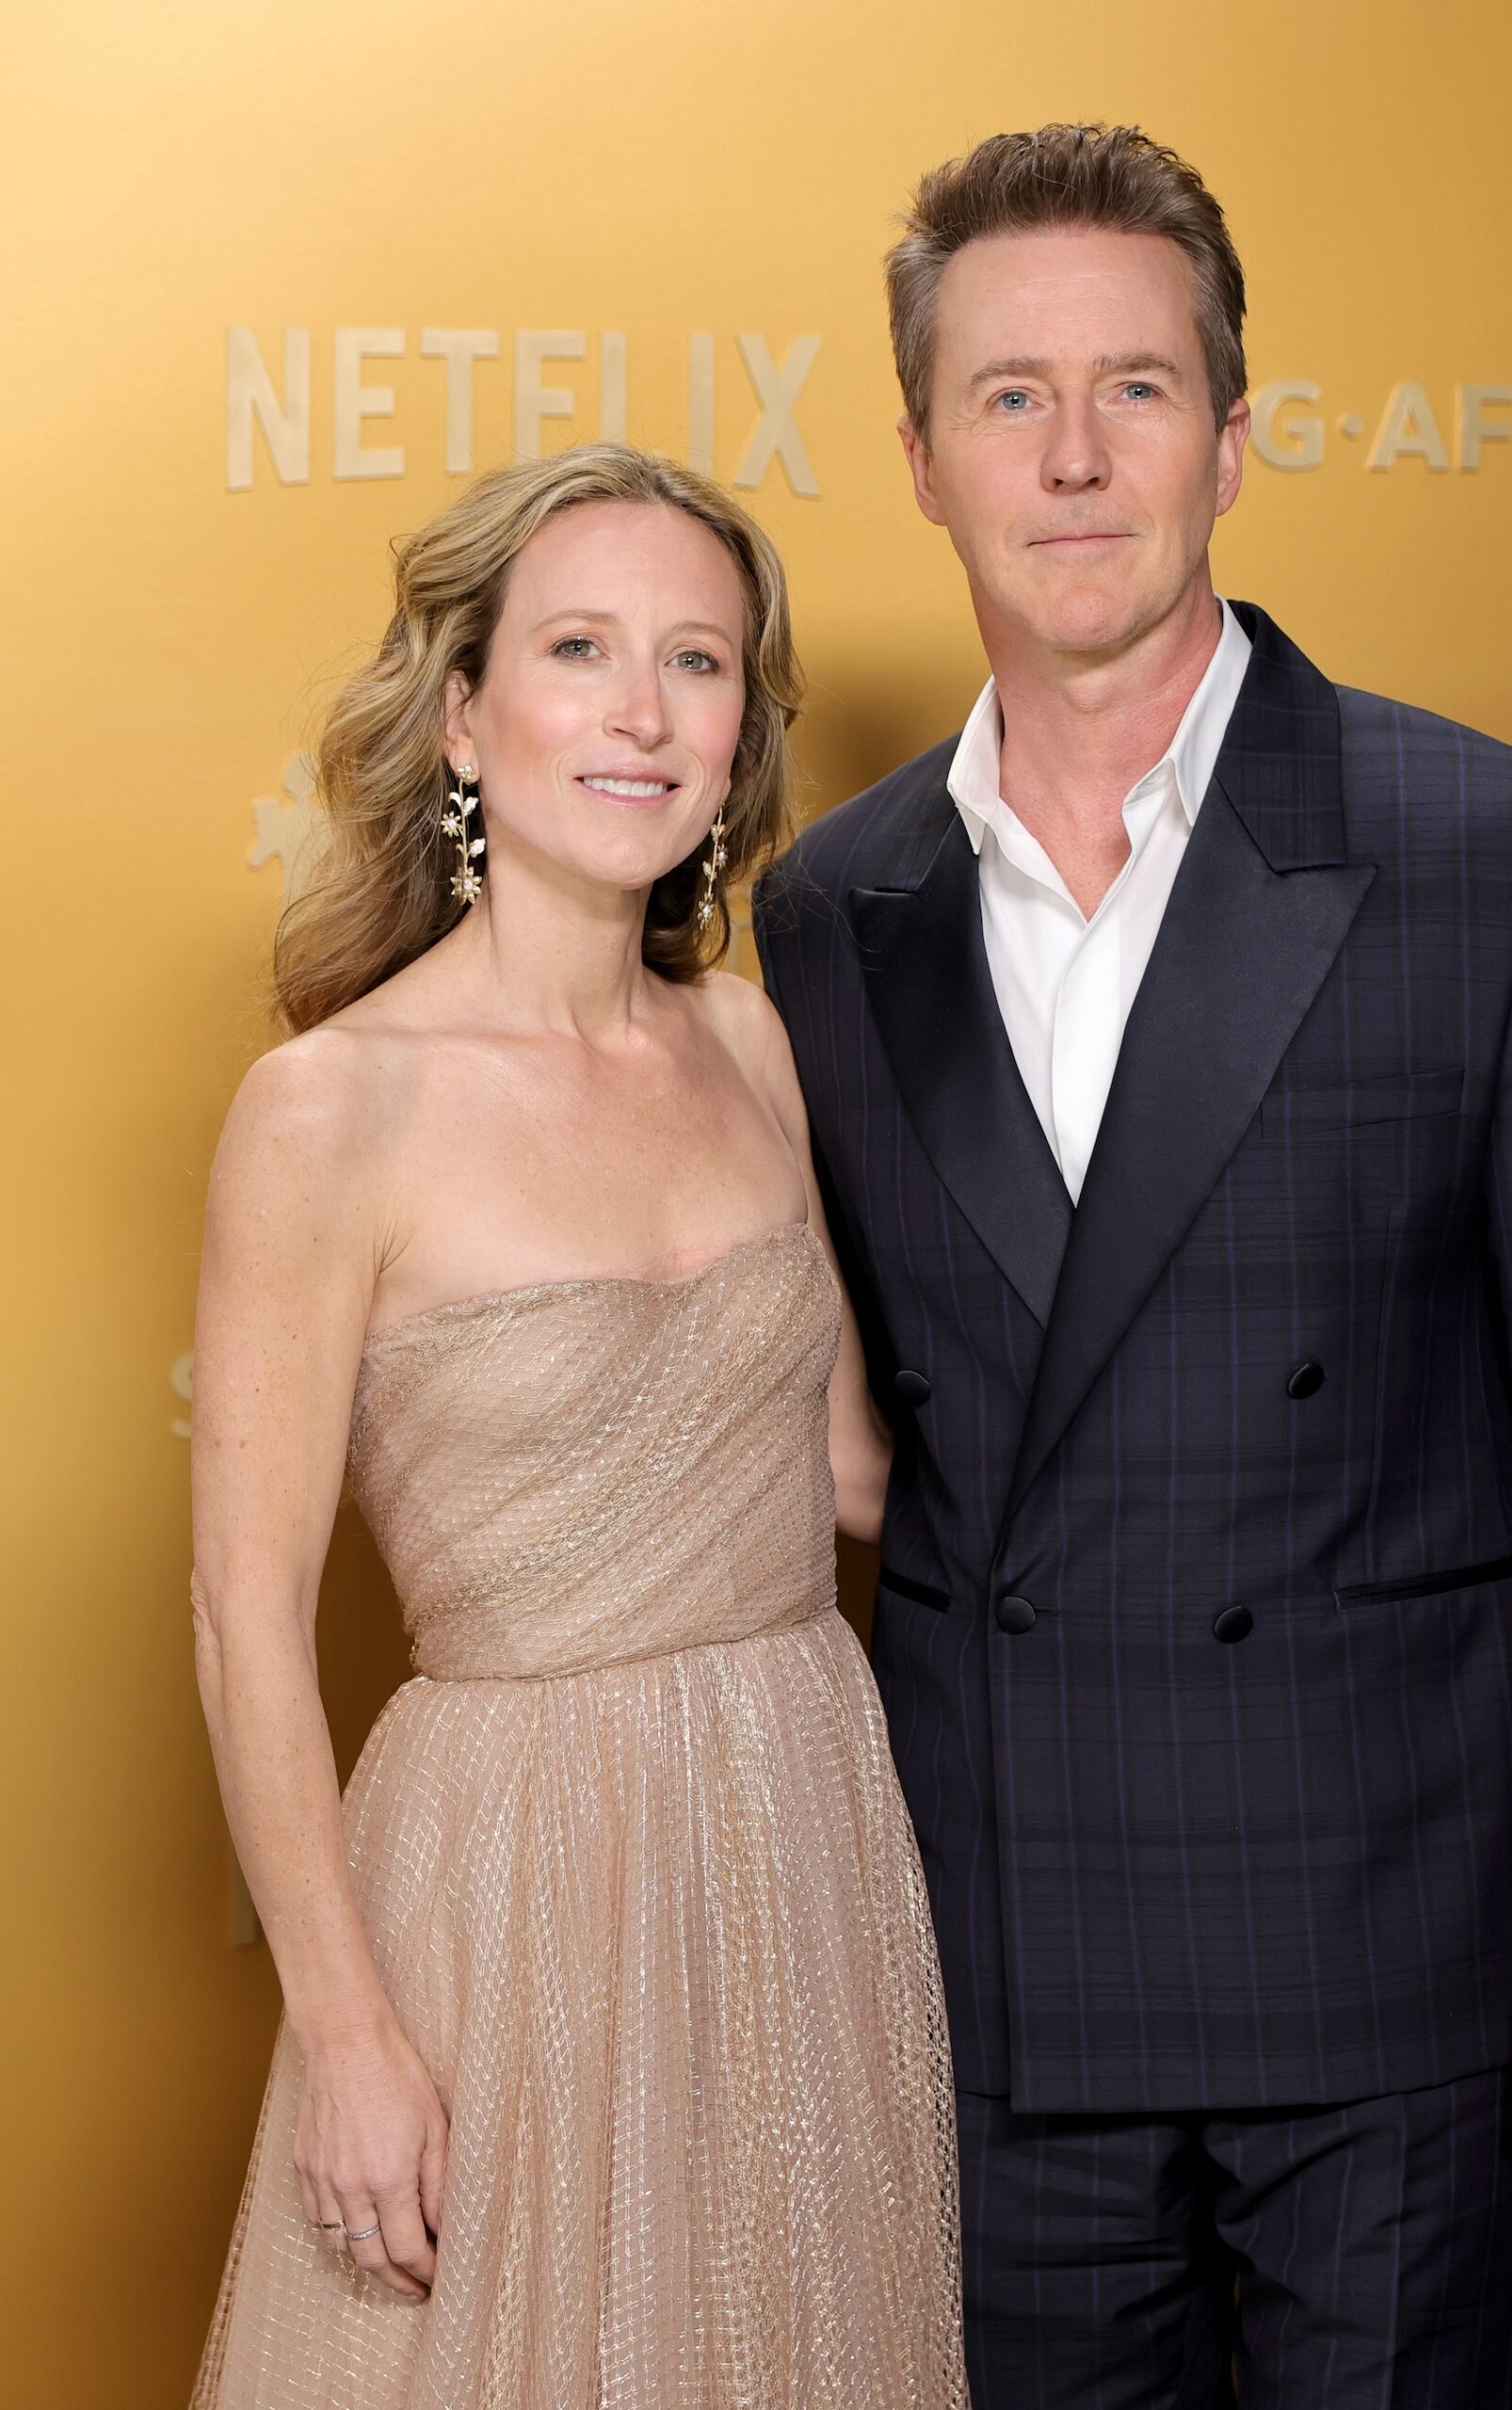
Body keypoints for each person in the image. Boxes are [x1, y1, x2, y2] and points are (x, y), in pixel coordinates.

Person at [753, 123, 1512, 2408]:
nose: (1073, 458)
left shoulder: (1485, 846)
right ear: (915, 456)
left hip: (1402, 1963)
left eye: (1137, 390)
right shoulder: (829, 907)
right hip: (1002, 1958)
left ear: (1236, 438)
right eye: (1007, 398)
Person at [188, 443, 967, 2409]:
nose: (642, 711)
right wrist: (347, 2028)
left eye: (697, 661)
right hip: (514, 1872)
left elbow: (855, 1474)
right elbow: (244, 1617)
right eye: (582, 648)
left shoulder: (745, 1037)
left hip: (800, 1834)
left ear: (737, 734)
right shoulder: (329, 1106)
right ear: (465, 707)